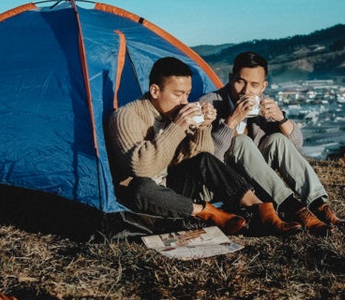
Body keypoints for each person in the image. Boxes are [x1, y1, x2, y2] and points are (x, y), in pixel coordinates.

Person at [106, 56, 300, 236]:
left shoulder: (175, 114)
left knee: (205, 160)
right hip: (147, 190)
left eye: (187, 94)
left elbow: (204, 157)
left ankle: (261, 210)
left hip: (173, 184)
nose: (184, 102)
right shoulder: (127, 116)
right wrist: (177, 127)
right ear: (155, 91)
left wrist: (203, 127)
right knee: (142, 188)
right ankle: (208, 212)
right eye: (178, 94)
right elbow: (141, 168)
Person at [200, 51, 345, 236]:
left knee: (277, 139)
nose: (246, 91)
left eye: (254, 85)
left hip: (257, 176)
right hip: (227, 182)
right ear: (231, 78)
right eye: (241, 81)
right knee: (240, 141)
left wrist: (281, 119)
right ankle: (294, 209)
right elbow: (207, 159)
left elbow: (296, 145)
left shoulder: (264, 104)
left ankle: (320, 206)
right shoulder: (210, 104)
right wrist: (231, 122)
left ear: (263, 86)